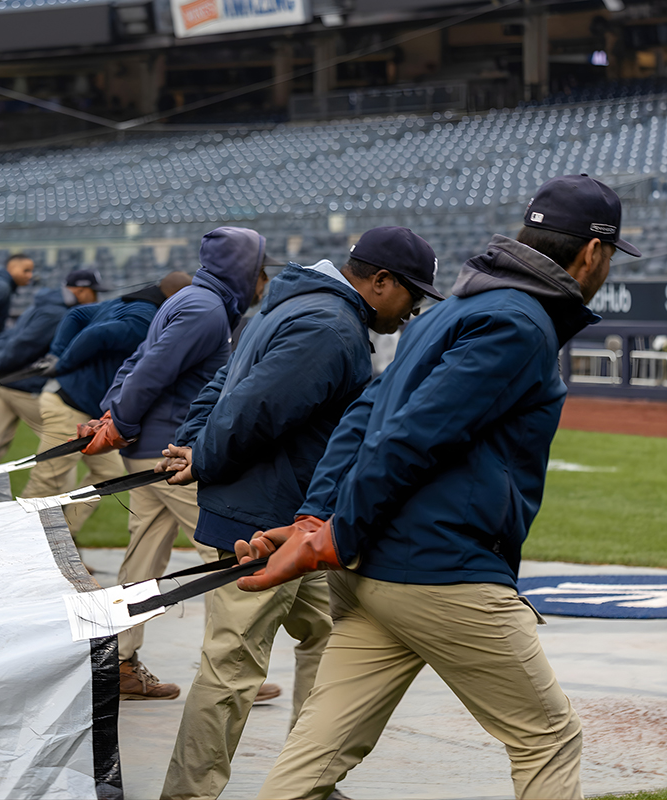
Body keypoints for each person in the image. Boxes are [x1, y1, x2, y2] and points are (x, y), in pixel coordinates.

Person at [235, 174, 638, 800]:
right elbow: (411, 437)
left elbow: (365, 413)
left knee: (312, 764)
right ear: (592, 253)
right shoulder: (519, 323)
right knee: (548, 737)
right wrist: (334, 530)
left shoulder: (454, 309)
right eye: (609, 256)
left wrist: (321, 519)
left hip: (373, 577)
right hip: (440, 572)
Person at [156, 227, 435, 800]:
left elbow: (222, 384)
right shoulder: (331, 326)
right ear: (381, 282)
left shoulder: (300, 302)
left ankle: (306, 781)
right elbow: (252, 407)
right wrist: (201, 451)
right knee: (232, 670)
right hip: (262, 522)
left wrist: (192, 442)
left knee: (327, 635)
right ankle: (187, 795)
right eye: (414, 293)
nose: (415, 309)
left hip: (289, 517)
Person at [81, 226, 270, 700]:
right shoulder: (206, 309)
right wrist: (119, 420)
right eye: (258, 269)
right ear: (242, 270)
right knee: (225, 553)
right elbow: (151, 369)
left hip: (154, 448)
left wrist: (112, 411)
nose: (261, 280)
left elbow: (140, 360)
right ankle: (232, 672)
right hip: (172, 453)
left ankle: (118, 662)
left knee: (143, 560)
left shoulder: (192, 300)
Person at [21, 271, 192, 535]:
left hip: (81, 407)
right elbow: (97, 334)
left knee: (108, 474)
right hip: (68, 405)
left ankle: (61, 540)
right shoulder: (145, 317)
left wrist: (57, 353)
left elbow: (75, 315)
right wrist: (61, 362)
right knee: (46, 482)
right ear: (176, 297)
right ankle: (11, 547)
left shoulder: (127, 303)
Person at [0, 268, 106, 466]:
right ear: (79, 290)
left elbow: (12, 335)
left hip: (7, 384)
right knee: (62, 448)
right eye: (94, 292)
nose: (96, 298)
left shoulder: (47, 303)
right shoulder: (59, 313)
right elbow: (25, 344)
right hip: (26, 387)